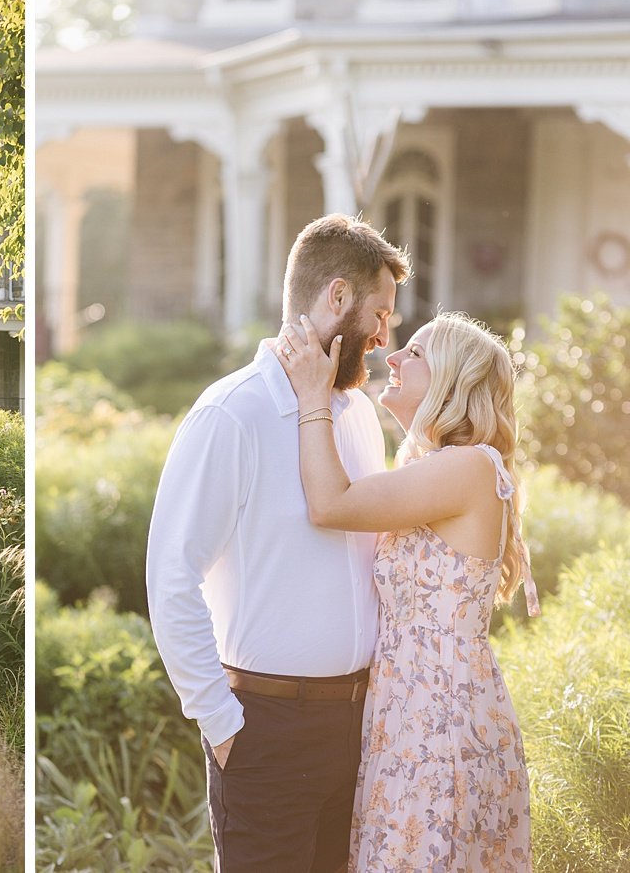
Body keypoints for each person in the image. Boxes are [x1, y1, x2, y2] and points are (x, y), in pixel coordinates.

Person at [146, 213, 410, 872]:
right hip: (264, 733)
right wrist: (222, 723)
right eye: (380, 314)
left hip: (356, 730)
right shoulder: (230, 413)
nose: (385, 337)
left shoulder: (355, 417)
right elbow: (170, 576)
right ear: (338, 298)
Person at [275, 310, 538, 872]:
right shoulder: (436, 466)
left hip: (438, 720)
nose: (391, 356)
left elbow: (331, 505)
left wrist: (313, 396)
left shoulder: (467, 467)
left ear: (450, 379)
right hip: (408, 713)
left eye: (414, 353)